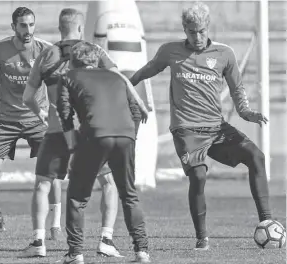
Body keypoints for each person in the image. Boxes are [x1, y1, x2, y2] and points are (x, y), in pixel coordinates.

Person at [129, 1, 272, 250]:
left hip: (216, 128)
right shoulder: (170, 51)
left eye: (202, 30)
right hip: (187, 130)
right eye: (192, 31)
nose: (198, 36)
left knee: (256, 156)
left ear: (208, 27)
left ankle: (267, 223)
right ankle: (202, 237)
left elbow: (237, 88)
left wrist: (246, 113)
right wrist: (126, 86)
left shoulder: (224, 54)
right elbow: (147, 70)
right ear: (185, 29)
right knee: (198, 176)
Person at [20, 8, 148, 258]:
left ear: (59, 28)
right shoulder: (94, 52)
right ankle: (107, 239)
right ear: (80, 28)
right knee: (110, 184)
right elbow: (119, 79)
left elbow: (28, 97)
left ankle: (39, 243)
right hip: (96, 130)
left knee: (43, 185)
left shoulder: (47, 54)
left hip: (59, 129)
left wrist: (42, 113)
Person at [56, 41, 150, 264]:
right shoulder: (116, 77)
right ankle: (142, 251)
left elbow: (64, 111)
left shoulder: (68, 78)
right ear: (96, 60)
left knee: (77, 197)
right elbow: (135, 110)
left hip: (96, 135)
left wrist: (72, 143)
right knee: (129, 195)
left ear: (73, 62)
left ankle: (75, 253)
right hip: (125, 135)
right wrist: (129, 138)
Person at [0, 7, 55, 240]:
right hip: (7, 121)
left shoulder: (46, 50)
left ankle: (55, 225)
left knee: (52, 170)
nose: (28, 30)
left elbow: (59, 83)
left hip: (38, 120)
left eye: (31, 25)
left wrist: (58, 113)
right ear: (13, 26)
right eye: (23, 25)